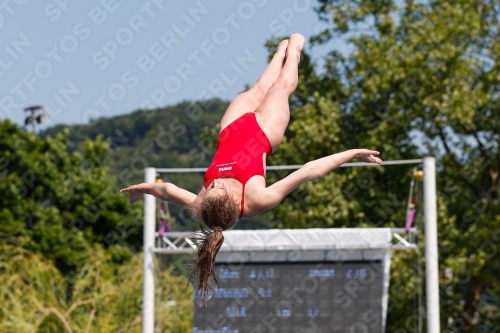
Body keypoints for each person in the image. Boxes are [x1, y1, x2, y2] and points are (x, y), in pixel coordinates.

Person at [120, 33, 382, 303]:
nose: (212, 183)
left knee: (259, 88)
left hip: (230, 128)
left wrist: (141, 188)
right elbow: (308, 171)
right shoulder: (256, 199)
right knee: (279, 88)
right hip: (265, 130)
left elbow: (167, 190)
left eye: (209, 187)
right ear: (234, 200)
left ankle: (279, 52)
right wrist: (351, 153)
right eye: (216, 188)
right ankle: (294, 52)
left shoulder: (204, 204)